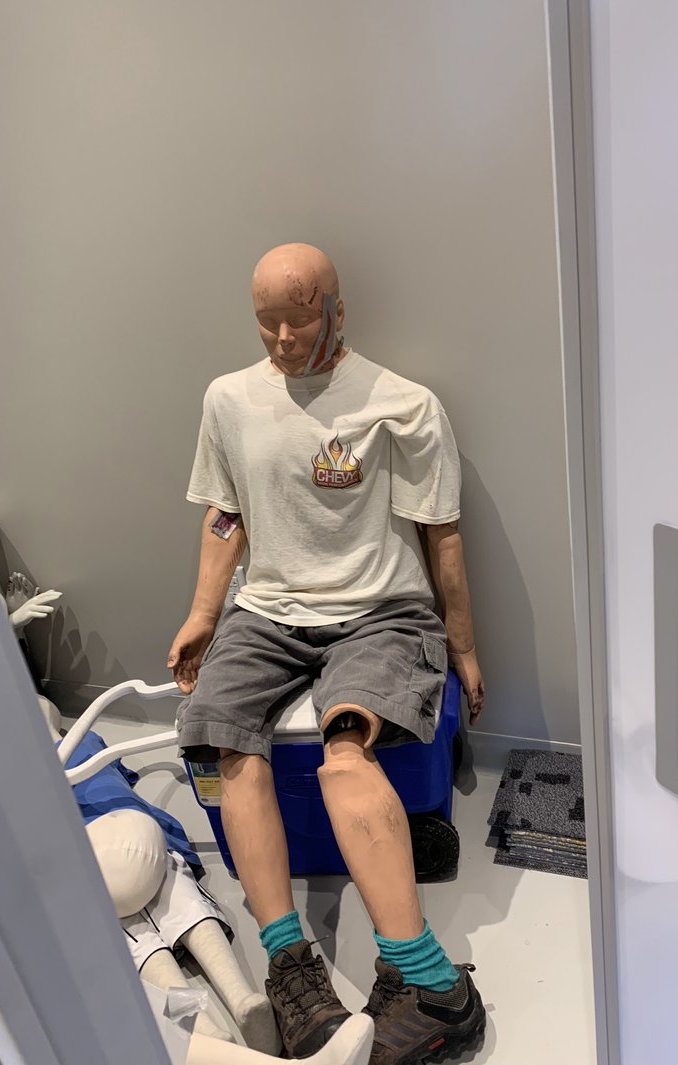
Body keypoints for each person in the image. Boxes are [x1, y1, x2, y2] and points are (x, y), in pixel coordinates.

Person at [168, 243, 486, 1064]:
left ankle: (434, 985)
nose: (282, 338)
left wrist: (461, 646)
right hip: (267, 613)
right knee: (226, 741)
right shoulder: (229, 399)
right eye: (266, 321)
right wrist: (203, 613)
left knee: (344, 752)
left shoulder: (401, 404)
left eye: (300, 318)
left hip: (381, 612)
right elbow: (226, 514)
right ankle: (290, 967)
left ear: (338, 310)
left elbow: (442, 534)